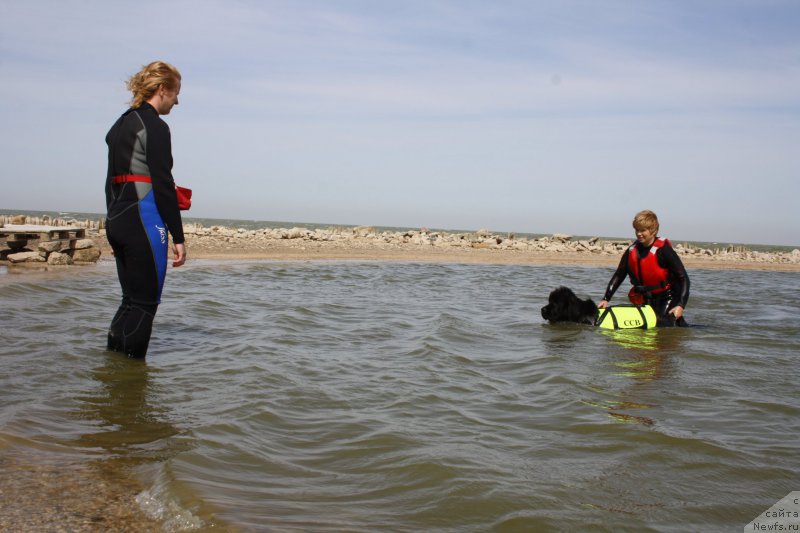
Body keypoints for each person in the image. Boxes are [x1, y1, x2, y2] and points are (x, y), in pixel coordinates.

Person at [105, 61, 186, 357]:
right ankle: (133, 389)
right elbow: (163, 185)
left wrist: (113, 221)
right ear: (162, 89)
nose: (177, 100)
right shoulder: (155, 126)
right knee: (145, 303)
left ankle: (114, 375)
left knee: (130, 301)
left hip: (117, 219)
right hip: (143, 220)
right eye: (176, 92)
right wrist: (178, 237)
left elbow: (111, 182)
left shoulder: (121, 124)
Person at [597, 210, 689, 327]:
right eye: (637, 230)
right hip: (645, 298)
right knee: (646, 329)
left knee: (661, 328)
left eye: (643, 230)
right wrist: (606, 299)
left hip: (668, 297)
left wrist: (680, 305)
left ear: (653, 231)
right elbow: (619, 275)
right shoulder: (632, 251)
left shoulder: (664, 250)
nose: (639, 234)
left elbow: (684, 278)